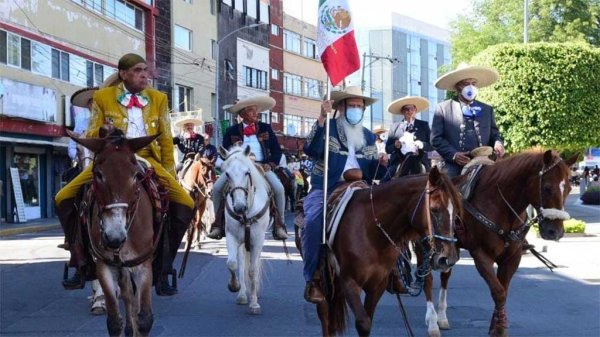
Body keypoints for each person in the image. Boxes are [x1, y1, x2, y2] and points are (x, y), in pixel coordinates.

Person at [54, 53, 194, 296]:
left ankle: (163, 268)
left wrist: (170, 174)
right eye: (139, 70)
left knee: (186, 202)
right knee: (63, 197)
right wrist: (103, 131)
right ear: (123, 73)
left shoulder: (159, 98)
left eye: (146, 70)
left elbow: (164, 138)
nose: (145, 75)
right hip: (110, 158)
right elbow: (93, 134)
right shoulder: (103, 97)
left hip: (146, 159)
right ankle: (79, 258)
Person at [302, 86, 388, 303]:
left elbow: (371, 171)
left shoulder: (368, 136)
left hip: (361, 187)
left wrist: (383, 164)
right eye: (353, 106)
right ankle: (313, 277)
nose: (357, 110)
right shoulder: (329, 127)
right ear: (341, 107)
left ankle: (395, 271)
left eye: (360, 106)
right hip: (328, 186)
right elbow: (311, 150)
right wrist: (322, 116)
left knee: (390, 216)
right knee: (313, 220)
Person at [206, 96, 288, 241]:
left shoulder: (266, 128)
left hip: (261, 166)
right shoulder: (231, 131)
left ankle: (279, 224)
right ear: (242, 114)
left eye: (256, 111)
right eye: (251, 111)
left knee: (279, 188)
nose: (256, 113)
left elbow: (277, 150)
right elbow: (224, 151)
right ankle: (218, 224)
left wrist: (270, 163)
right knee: (217, 188)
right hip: (238, 167)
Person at [431, 63, 505, 177]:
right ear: (457, 87)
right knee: (450, 190)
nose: (470, 87)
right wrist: (454, 155)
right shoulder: (443, 108)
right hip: (455, 165)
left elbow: (495, 134)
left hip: (485, 162)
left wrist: (498, 143)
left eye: (473, 83)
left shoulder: (487, 109)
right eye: (466, 84)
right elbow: (436, 139)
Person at [385, 96, 432, 178]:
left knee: (433, 182)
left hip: (419, 160)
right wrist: (395, 146)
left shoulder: (423, 125)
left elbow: (432, 145)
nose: (409, 111)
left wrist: (422, 145)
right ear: (402, 111)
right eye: (406, 109)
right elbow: (387, 149)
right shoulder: (395, 127)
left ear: (415, 110)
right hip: (399, 162)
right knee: (386, 180)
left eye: (412, 109)